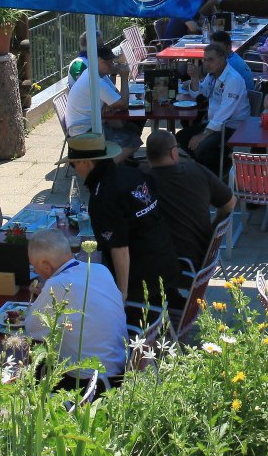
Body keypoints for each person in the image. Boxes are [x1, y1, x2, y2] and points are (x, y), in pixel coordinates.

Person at [66, 133, 182, 316]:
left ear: (86, 162)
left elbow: (119, 249)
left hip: (142, 284)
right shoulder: (133, 174)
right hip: (168, 267)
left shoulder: (104, 196)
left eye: (73, 164)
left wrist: (122, 295)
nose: (74, 169)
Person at [25, 227, 127, 389]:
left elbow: (31, 330)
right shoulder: (100, 269)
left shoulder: (56, 285)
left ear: (46, 265)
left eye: (34, 266)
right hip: (120, 365)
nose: (35, 271)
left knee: (33, 366)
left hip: (91, 383)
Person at [141, 129, 235, 272]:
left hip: (169, 267)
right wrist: (214, 227)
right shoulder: (197, 170)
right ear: (173, 153)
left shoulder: (143, 185)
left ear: (148, 156)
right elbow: (230, 202)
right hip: (203, 260)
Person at [179, 42, 250, 174]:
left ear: (222, 59)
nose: (206, 64)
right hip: (215, 123)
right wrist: (194, 78)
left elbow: (224, 113)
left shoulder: (233, 79)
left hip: (232, 126)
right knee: (182, 137)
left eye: (210, 60)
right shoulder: (212, 74)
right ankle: (211, 167)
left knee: (200, 147)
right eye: (204, 60)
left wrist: (202, 135)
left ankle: (220, 170)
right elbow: (200, 93)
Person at [65, 39, 141, 160]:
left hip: (91, 125)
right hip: (85, 132)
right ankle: (106, 167)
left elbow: (116, 95)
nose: (111, 64)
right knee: (133, 142)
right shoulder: (95, 80)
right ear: (94, 61)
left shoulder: (97, 74)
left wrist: (109, 102)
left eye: (111, 61)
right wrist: (124, 77)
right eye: (106, 62)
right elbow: (123, 104)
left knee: (133, 128)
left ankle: (123, 162)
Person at [208, 28, 258, 99]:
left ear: (228, 47)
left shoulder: (228, 65)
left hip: (238, 100)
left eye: (217, 48)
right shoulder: (232, 58)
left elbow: (212, 90)